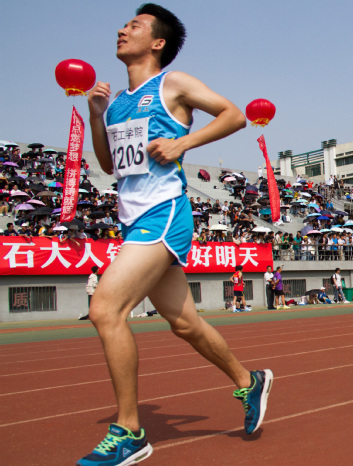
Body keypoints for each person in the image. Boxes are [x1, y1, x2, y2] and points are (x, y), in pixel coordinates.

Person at [80, 5, 272, 464]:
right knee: (184, 323)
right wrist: (95, 115)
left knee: (106, 309)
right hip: (132, 219)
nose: (123, 30)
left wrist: (183, 143)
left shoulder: (173, 83)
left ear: (158, 42)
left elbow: (234, 115)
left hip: (164, 213)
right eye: (125, 25)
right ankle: (250, 382)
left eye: (135, 26)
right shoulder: (119, 102)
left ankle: (129, 431)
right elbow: (109, 166)